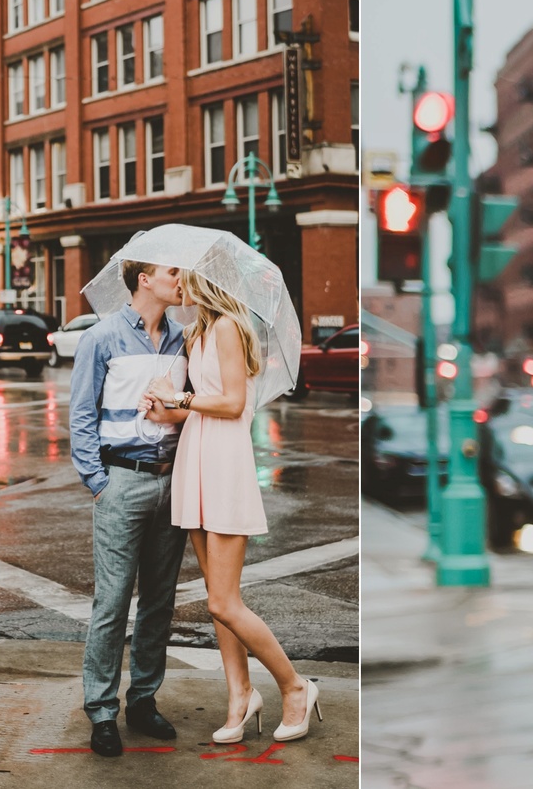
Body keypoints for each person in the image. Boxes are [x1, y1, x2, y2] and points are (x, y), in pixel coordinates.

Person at [142, 269, 321, 743]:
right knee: (215, 604)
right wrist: (165, 408)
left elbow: (234, 402)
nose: (177, 282)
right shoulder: (199, 330)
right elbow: (201, 405)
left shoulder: (227, 327)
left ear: (206, 280)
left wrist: (179, 395)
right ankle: (240, 696)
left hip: (223, 463)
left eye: (185, 275)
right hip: (196, 460)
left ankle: (296, 686)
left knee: (226, 601)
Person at [68, 260, 191, 758]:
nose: (181, 280)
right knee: (113, 601)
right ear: (144, 279)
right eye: (173, 271)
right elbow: (80, 414)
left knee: (160, 601)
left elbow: (194, 403)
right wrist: (98, 482)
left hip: (172, 482)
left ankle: (143, 701)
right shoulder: (102, 338)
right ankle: (101, 711)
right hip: (121, 481)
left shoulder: (185, 340)